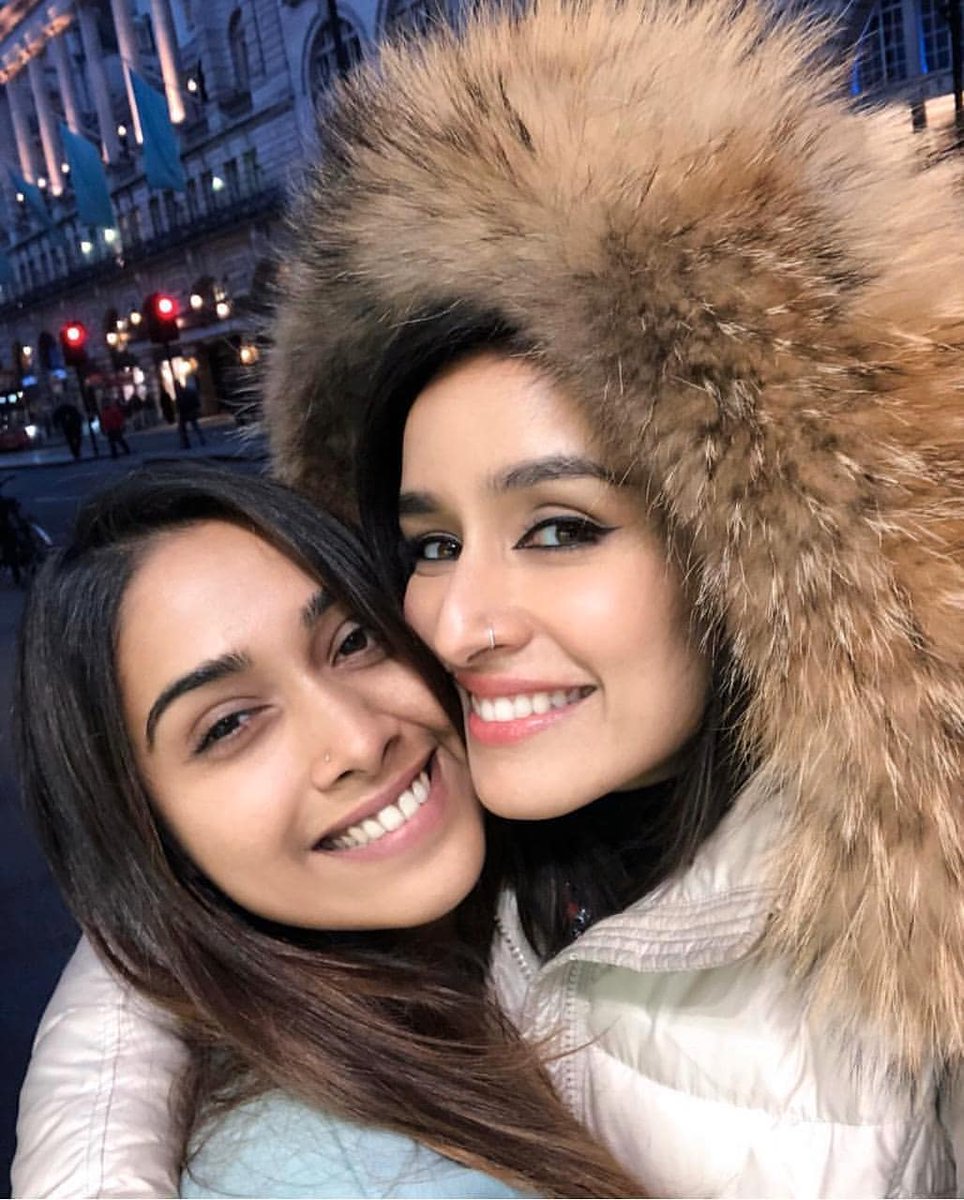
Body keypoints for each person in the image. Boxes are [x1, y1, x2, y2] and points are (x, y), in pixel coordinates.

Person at [14, 0, 964, 1196]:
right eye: (427, 545)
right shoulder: (478, 847)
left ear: (753, 551)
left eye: (560, 529)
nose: (454, 627)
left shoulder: (919, 948)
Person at [13, 462, 637, 1200]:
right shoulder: (331, 1173)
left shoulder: (560, 866)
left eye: (353, 641)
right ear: (148, 835)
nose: (359, 740)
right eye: (230, 725)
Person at [175, 376, 206, 449]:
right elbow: (179, 405)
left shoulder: (184, 392)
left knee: (192, 427)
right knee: (190, 427)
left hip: (188, 412)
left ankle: (190, 442)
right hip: (186, 412)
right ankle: (189, 442)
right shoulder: (182, 393)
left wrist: (195, 408)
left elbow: (184, 403)